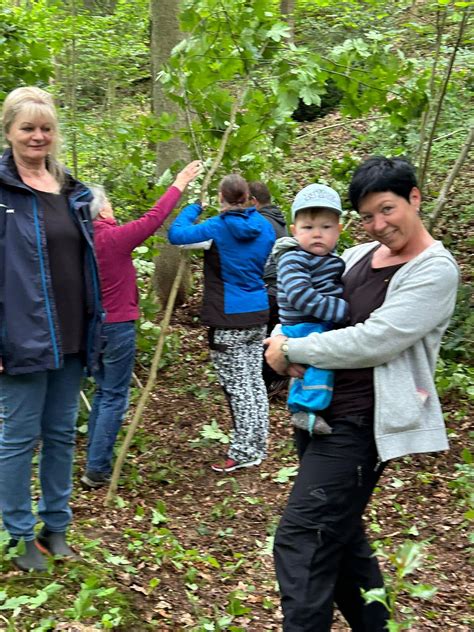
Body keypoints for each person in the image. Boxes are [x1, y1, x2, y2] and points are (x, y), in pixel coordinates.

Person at [264, 156, 459, 630]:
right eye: (368, 216)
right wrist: (280, 337)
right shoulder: (354, 257)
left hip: (362, 423)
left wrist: (293, 346)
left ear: (414, 198)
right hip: (318, 408)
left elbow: (375, 339)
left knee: (303, 538)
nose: (378, 225)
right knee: (342, 538)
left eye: (387, 209)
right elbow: (301, 299)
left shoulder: (434, 270)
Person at [0, 87, 103, 571]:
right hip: (19, 335)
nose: (37, 136)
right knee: (20, 437)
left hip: (73, 332)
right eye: (27, 128)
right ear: (9, 132)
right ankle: (20, 535)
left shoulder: (72, 191)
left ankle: (55, 527)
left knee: (61, 434)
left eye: (45, 128)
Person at [80, 161, 202, 489]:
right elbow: (153, 219)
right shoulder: (111, 238)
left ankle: (94, 459)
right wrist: (179, 183)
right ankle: (97, 468)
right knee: (114, 394)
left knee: (104, 391)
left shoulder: (80, 243)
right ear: (99, 210)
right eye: (108, 203)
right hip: (116, 326)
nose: (112, 208)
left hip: (92, 329)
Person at [168, 174, 276, 473]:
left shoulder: (218, 227)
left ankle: (243, 452)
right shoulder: (265, 228)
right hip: (257, 313)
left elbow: (176, 235)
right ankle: (257, 446)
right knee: (254, 383)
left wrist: (194, 207)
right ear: (248, 198)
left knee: (238, 387)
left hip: (228, 319)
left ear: (222, 198)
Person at [273, 184, 349, 436]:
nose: (317, 234)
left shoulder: (331, 259)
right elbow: (299, 294)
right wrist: (341, 311)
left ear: (339, 230)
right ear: (294, 231)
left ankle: (309, 408)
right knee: (318, 366)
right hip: (304, 324)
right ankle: (303, 410)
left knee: (315, 369)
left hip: (317, 322)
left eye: (326, 227)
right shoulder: (293, 257)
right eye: (308, 228)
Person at [248, 181, 289, 398]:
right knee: (270, 336)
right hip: (282, 289)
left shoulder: (260, 222)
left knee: (260, 340)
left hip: (269, 288)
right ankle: (272, 381)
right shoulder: (279, 220)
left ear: (253, 201)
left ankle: (261, 385)